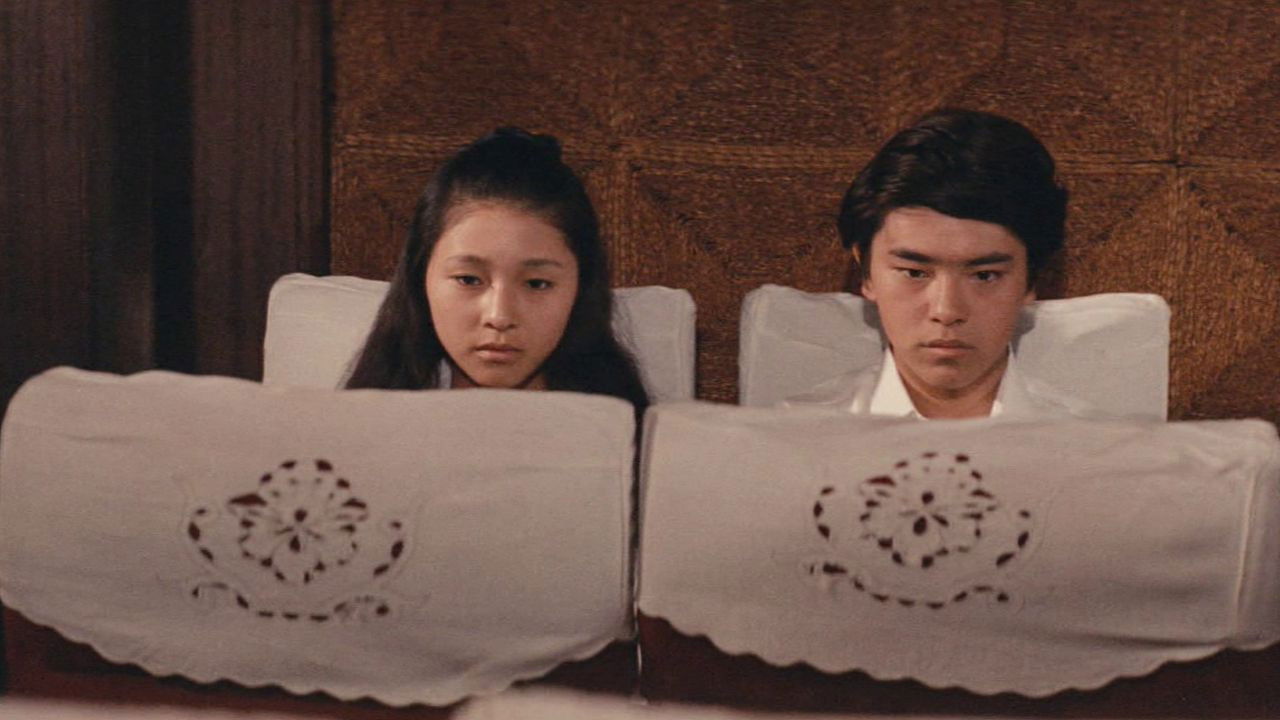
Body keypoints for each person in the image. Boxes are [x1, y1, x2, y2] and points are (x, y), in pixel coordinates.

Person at [789, 108, 1084, 419]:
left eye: (985, 276)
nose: (946, 311)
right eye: (914, 273)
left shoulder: (1092, 443)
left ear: (1031, 280)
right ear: (867, 273)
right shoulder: (796, 436)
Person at [345, 127, 649, 416]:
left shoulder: (631, 437)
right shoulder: (359, 429)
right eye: (468, 279)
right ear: (420, 277)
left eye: (537, 284)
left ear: (581, 287)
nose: (499, 316)